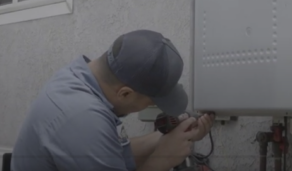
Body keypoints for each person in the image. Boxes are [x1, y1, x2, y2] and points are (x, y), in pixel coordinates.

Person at [11, 29, 214, 171]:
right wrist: (163, 160)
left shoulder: (77, 77)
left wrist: (166, 139)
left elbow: (110, 152)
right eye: (152, 102)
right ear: (125, 93)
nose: (152, 106)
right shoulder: (83, 117)